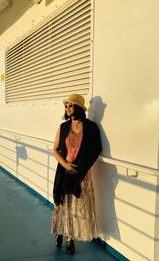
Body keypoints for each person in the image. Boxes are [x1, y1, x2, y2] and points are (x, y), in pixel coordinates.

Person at [50, 93, 102, 254]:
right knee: (62, 205)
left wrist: (81, 167)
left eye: (71, 105)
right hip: (64, 173)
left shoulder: (91, 127)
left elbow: (96, 149)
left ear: (78, 107)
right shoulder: (63, 127)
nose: (67, 108)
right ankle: (60, 232)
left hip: (81, 175)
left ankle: (70, 239)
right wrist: (65, 164)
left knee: (75, 208)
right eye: (66, 106)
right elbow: (55, 149)